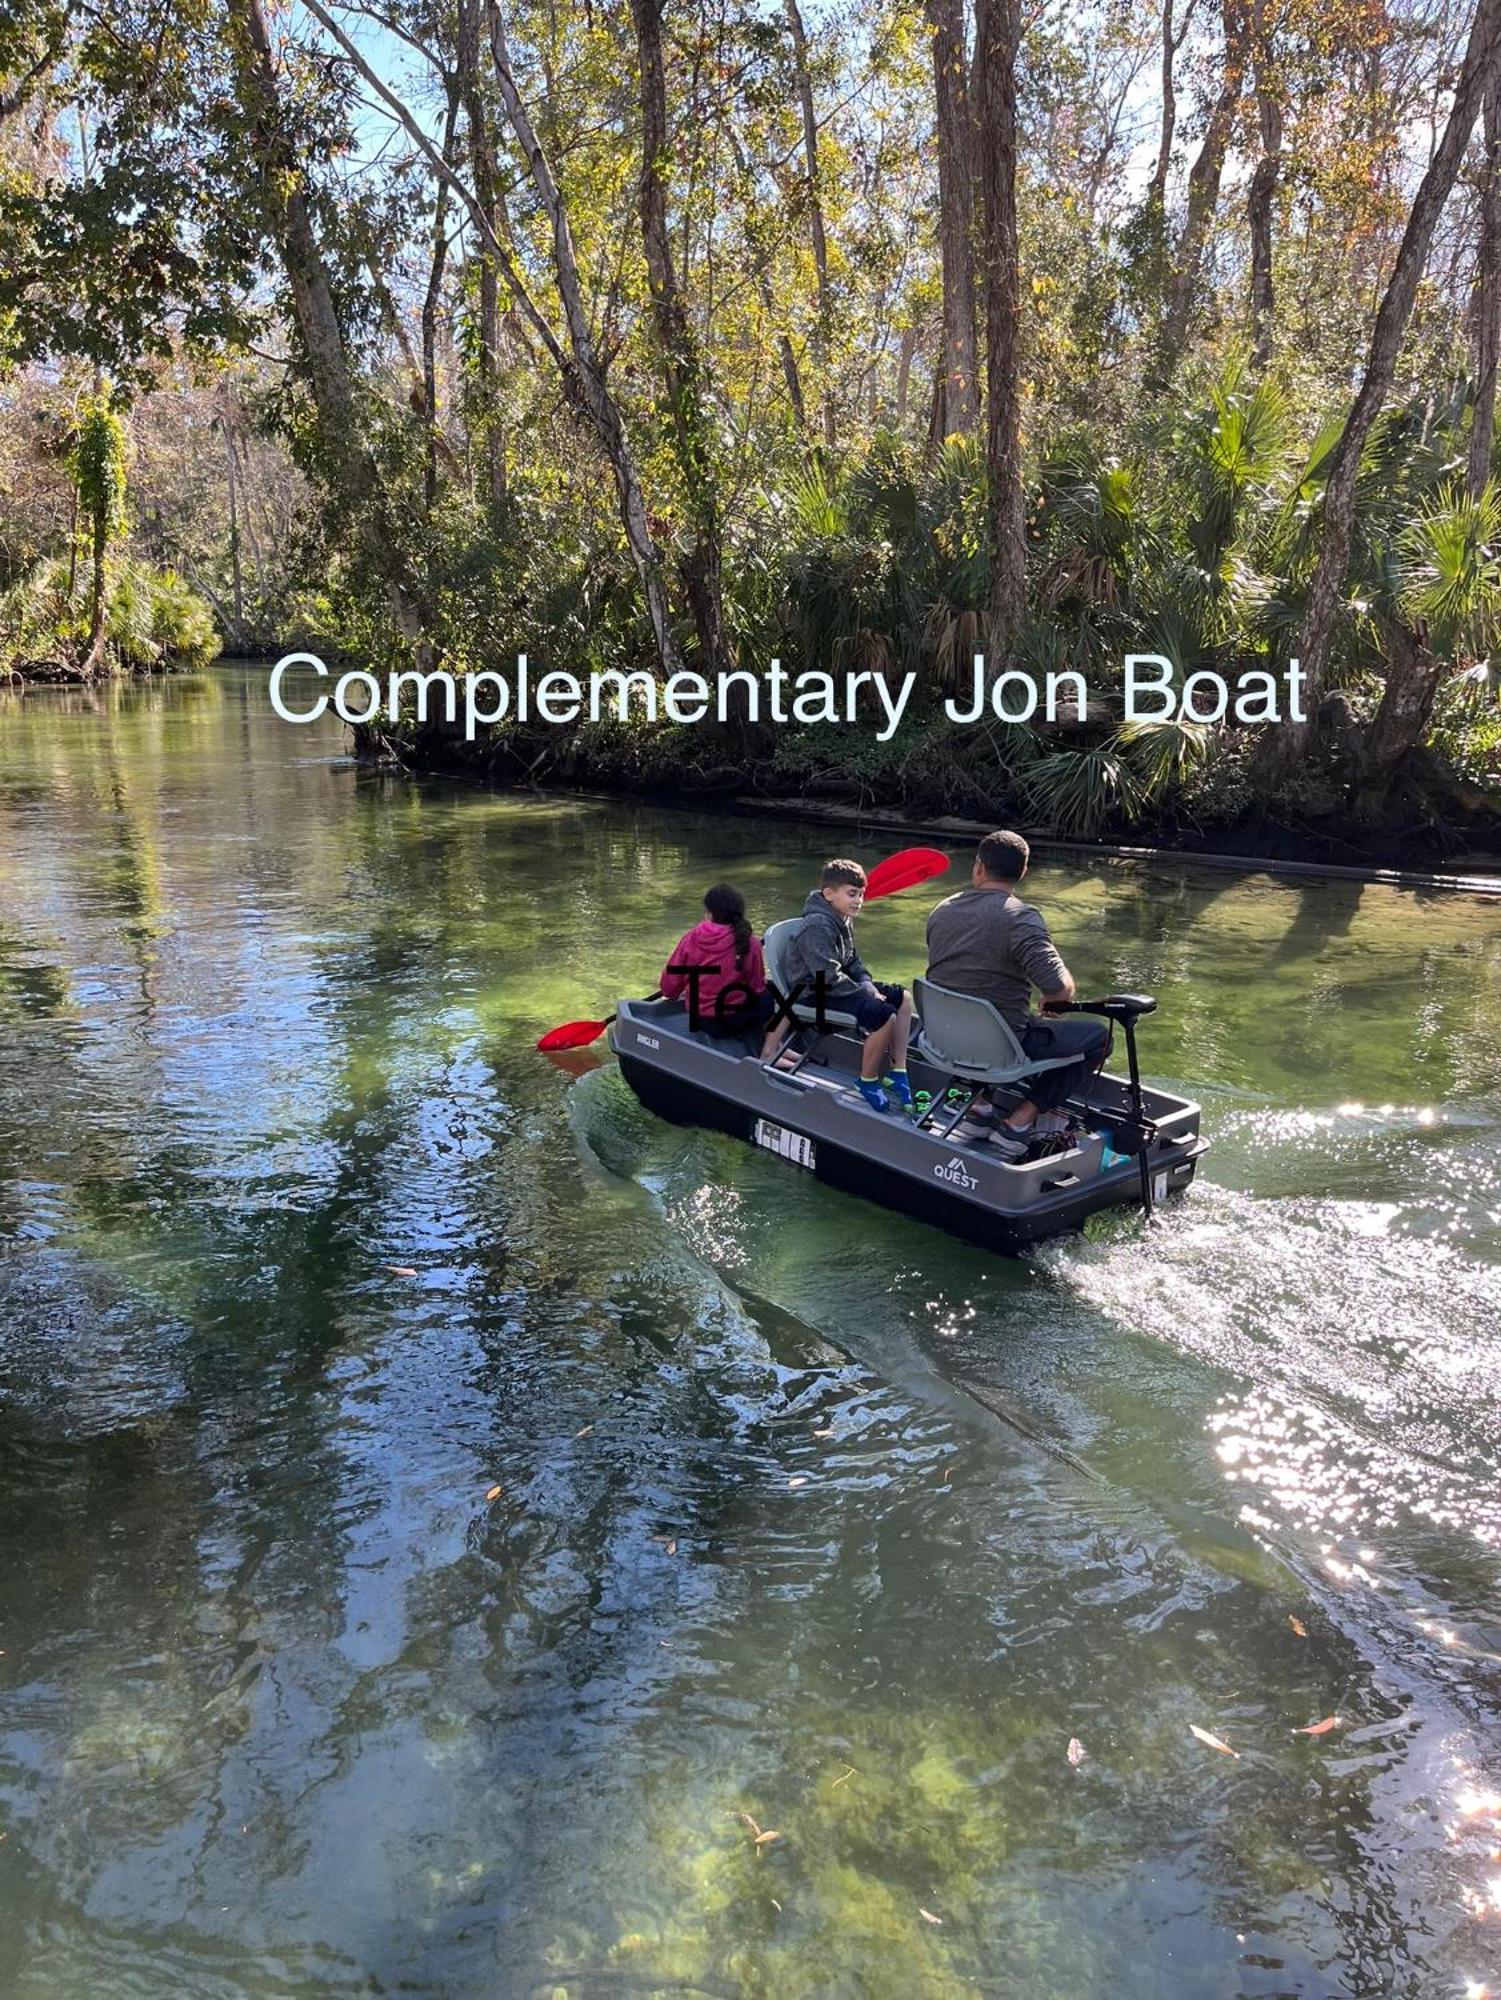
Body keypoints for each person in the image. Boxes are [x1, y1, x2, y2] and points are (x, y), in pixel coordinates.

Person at [924, 829, 1109, 1155]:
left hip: (944, 1037)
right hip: (1001, 1045)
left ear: (978, 867)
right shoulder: (1021, 918)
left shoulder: (942, 910)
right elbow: (1060, 987)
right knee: (1099, 1038)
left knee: (976, 1006)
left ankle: (979, 1107)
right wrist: (1054, 1000)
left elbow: (953, 977)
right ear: (1023, 872)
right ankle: (1018, 1122)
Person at [780, 858, 915, 1111]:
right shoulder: (817, 926)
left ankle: (898, 1070)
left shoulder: (842, 917)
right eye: (852, 894)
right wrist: (866, 995)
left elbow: (852, 960)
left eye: (861, 895)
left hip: (837, 985)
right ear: (829, 894)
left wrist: (867, 983)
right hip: (813, 993)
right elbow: (827, 976)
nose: (859, 901)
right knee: (884, 1015)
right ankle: (867, 1079)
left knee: (903, 998)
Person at [660, 882, 783, 1057]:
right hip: (737, 1021)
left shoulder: (690, 939)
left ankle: (774, 1048)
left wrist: (680, 992)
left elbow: (668, 987)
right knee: (770, 996)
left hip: (702, 1020)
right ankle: (771, 1049)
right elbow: (756, 987)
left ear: (709, 913)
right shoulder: (751, 942)